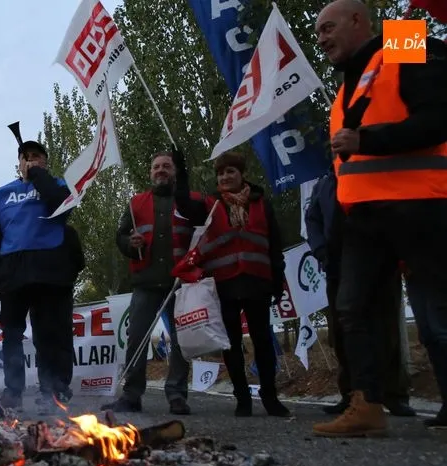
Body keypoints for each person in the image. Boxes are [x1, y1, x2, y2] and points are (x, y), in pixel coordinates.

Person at [313, 0, 447, 436]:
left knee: (435, 317)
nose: (321, 38)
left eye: (328, 27)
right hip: (363, 220)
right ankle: (367, 406)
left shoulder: (402, 43)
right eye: (317, 33)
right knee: (351, 308)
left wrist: (368, 138)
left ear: (358, 20)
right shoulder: (344, 87)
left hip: (420, 207)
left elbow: (439, 118)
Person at [175, 151, 291, 418]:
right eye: (221, 173)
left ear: (241, 175)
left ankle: (270, 396)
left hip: (257, 281)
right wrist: (181, 172)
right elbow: (183, 205)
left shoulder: (262, 204)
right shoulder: (210, 205)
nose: (225, 177)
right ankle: (242, 398)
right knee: (232, 343)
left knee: (263, 341)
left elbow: (274, 245)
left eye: (230, 172)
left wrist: (278, 280)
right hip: (224, 284)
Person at [304, 171, 415, 417]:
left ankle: (393, 394)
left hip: (380, 263)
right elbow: (312, 220)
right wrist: (321, 251)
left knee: (386, 329)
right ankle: (352, 395)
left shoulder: (374, 173)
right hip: (336, 266)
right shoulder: (323, 184)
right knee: (343, 333)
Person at [0, 138, 75, 412]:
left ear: (45, 161)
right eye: (26, 156)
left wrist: (38, 176)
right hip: (13, 271)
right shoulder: (1, 194)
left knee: (49, 334)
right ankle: (13, 391)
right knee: (11, 334)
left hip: (49, 270)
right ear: (18, 163)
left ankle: (53, 391)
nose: (30, 160)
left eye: (36, 156)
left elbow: (61, 208)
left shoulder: (58, 186)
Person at [102, 150, 199, 416]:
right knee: (136, 339)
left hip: (180, 283)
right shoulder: (136, 203)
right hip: (145, 282)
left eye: (166, 166)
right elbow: (121, 236)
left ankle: (177, 395)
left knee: (180, 342)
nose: (161, 170)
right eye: (156, 166)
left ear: (174, 171)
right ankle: (132, 396)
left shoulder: (188, 201)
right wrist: (129, 244)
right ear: (150, 172)